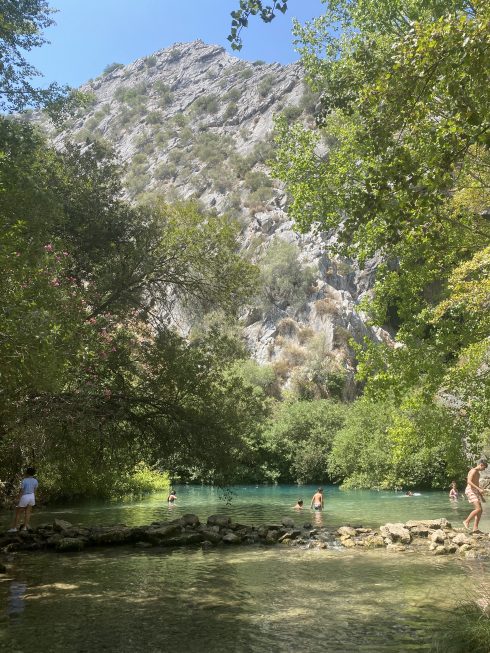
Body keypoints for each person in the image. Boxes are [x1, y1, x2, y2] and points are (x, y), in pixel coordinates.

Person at [8, 467, 38, 532]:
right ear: (33, 473)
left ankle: (14, 528)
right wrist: (33, 497)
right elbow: (35, 491)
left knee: (18, 513)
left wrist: (18, 499)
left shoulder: (24, 480)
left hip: (25, 496)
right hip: (32, 496)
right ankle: (25, 527)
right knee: (28, 513)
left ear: (27, 473)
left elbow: (21, 491)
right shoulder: (35, 481)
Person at [463, 459, 488, 533]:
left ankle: (475, 528)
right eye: (484, 467)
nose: (484, 469)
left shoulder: (478, 474)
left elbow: (477, 485)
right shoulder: (473, 471)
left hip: (475, 491)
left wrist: (481, 496)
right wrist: (479, 489)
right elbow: (469, 481)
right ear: (481, 465)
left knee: (480, 511)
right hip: (470, 490)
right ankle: (466, 521)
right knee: (478, 509)